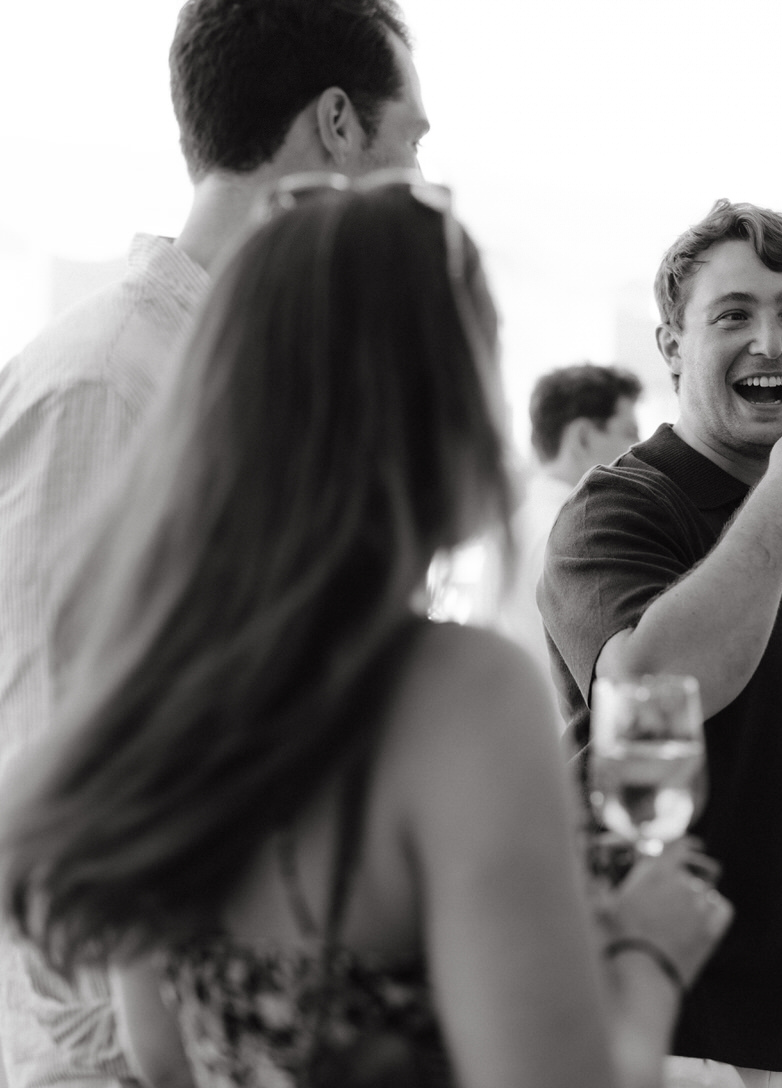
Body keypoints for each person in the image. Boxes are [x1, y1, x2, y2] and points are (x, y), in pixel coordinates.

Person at [0, 178, 731, 1088]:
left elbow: (160, 1057)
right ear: (437, 416)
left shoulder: (151, 682)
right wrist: (648, 958)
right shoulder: (462, 695)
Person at [0, 2, 433, 1083]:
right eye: (412, 140)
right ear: (337, 124)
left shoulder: (251, 384)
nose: (421, 181)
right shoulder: (110, 382)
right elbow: (58, 761)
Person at [539, 199, 782, 1087]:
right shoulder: (621, 505)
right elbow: (649, 689)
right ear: (672, 346)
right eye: (734, 315)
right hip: (672, 1028)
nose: (771, 341)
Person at [439, 364, 642, 681]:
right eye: (630, 433)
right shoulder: (582, 533)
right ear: (583, 438)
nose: (639, 450)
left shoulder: (510, 529)